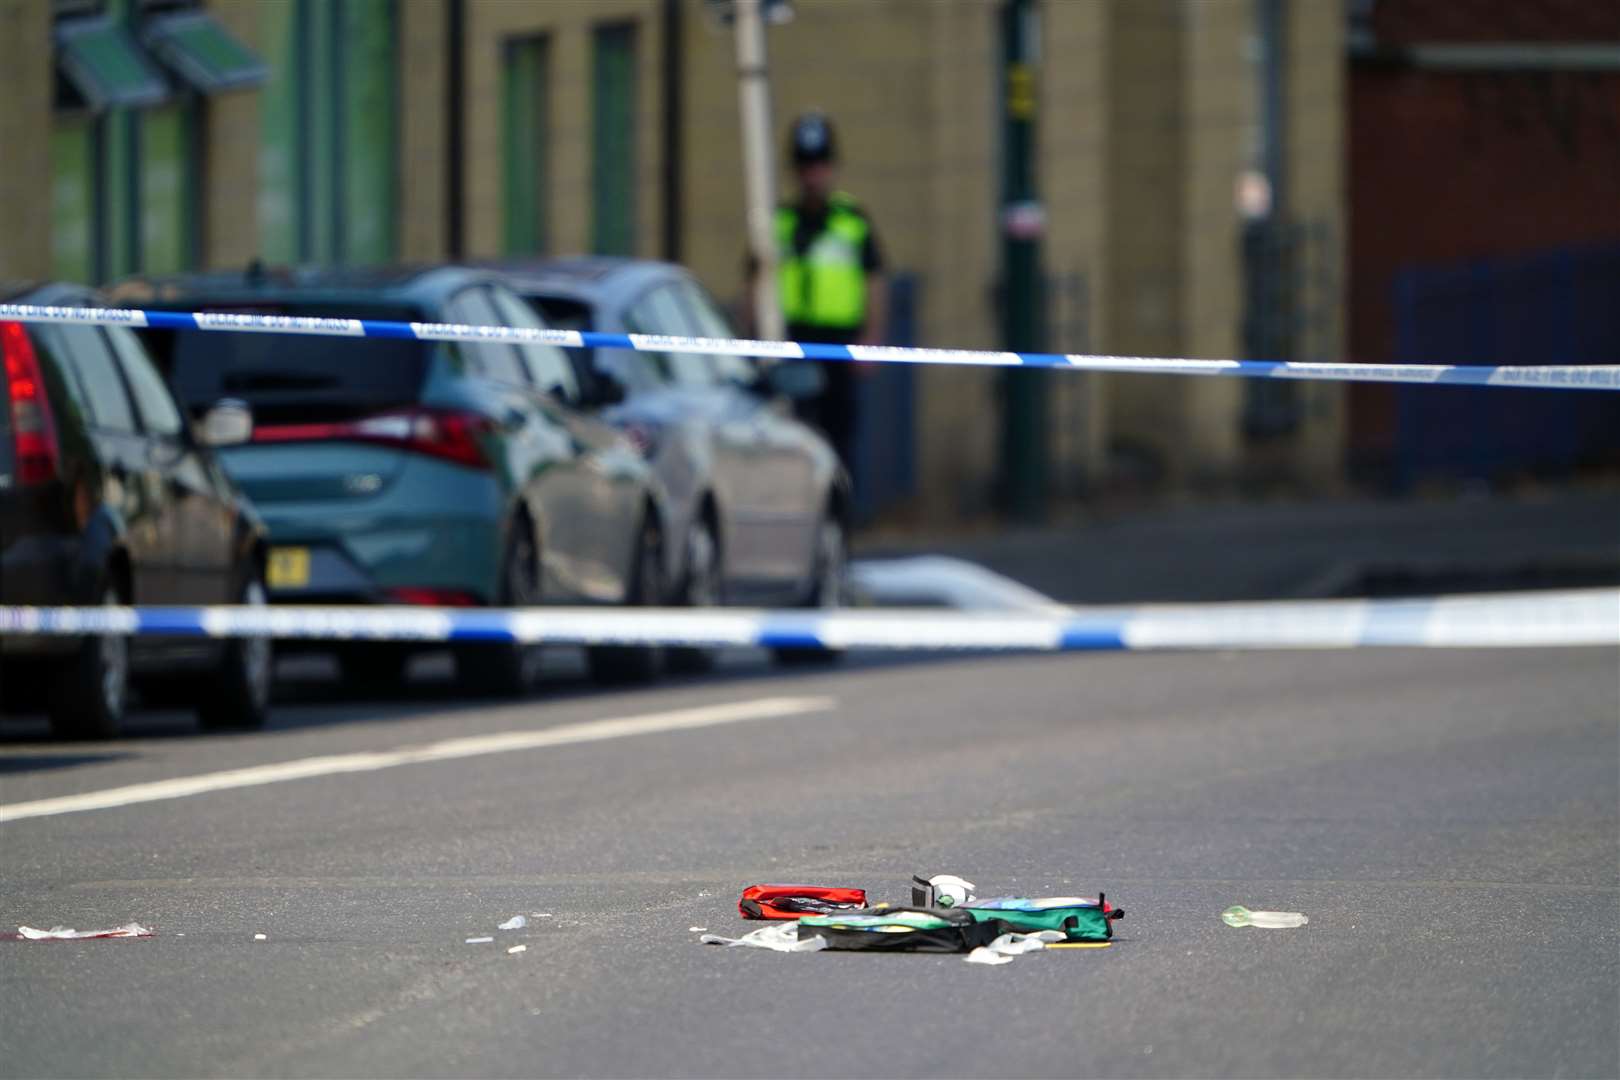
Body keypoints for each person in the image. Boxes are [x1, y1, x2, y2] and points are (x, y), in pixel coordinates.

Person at [754, 111, 887, 476]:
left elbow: (874, 279)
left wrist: (871, 338)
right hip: (790, 341)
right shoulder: (778, 221)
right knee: (791, 437)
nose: (812, 175)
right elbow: (754, 282)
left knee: (839, 437)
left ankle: (840, 521)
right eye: (805, 165)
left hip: (840, 345)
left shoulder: (852, 220)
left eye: (819, 164)